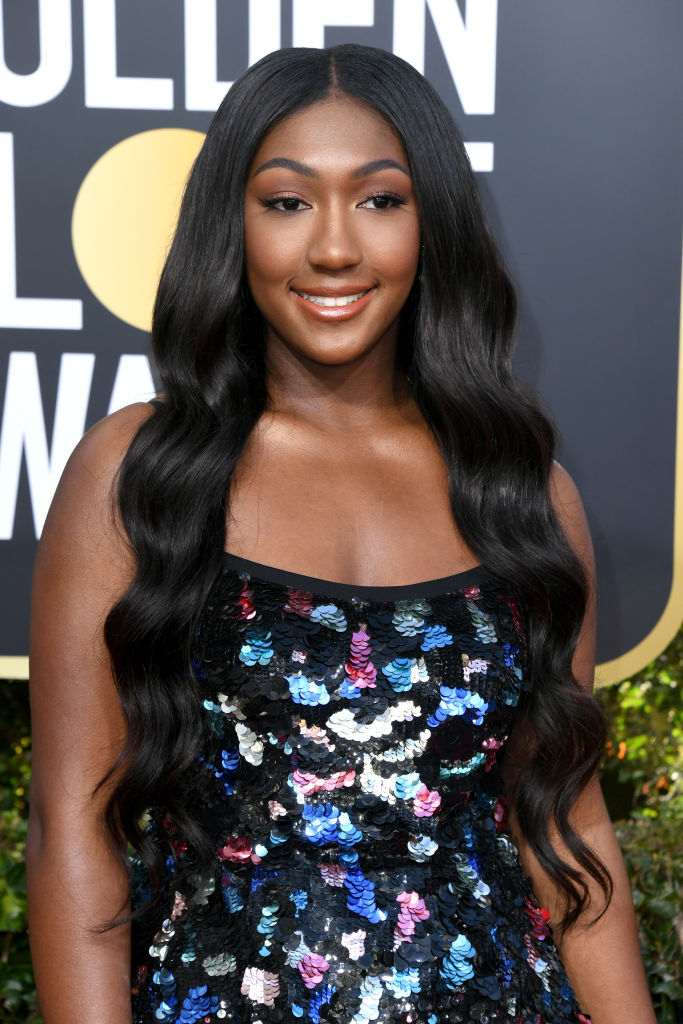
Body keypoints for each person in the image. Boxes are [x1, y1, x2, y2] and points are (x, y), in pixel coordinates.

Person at [27, 44, 654, 1024]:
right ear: (230, 224)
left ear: (430, 222)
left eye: (378, 200)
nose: (332, 248)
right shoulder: (137, 475)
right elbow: (74, 827)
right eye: (285, 201)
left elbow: (567, 828)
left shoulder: (520, 492)